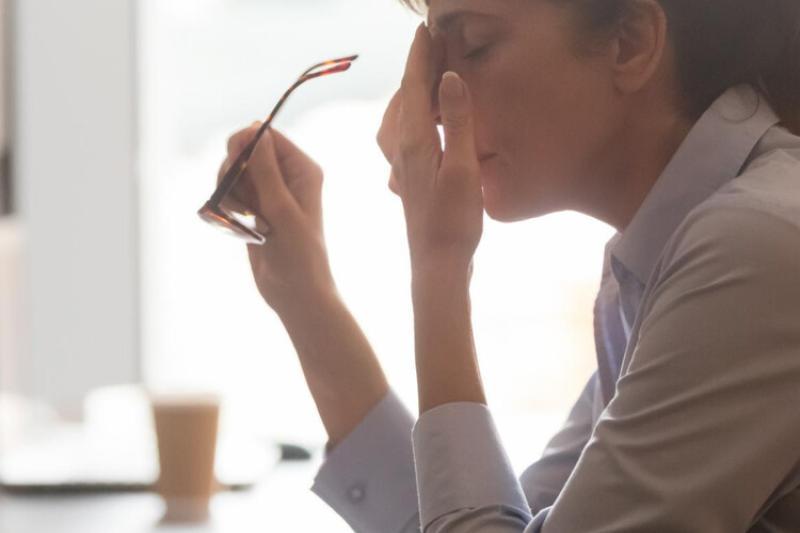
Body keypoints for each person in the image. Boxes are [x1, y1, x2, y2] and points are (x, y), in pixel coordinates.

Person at [216, 0, 800, 530]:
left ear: (630, 42)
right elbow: (465, 519)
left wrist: (439, 266)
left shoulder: (752, 248)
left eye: (473, 46)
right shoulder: (672, 256)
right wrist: (307, 300)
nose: (431, 109)